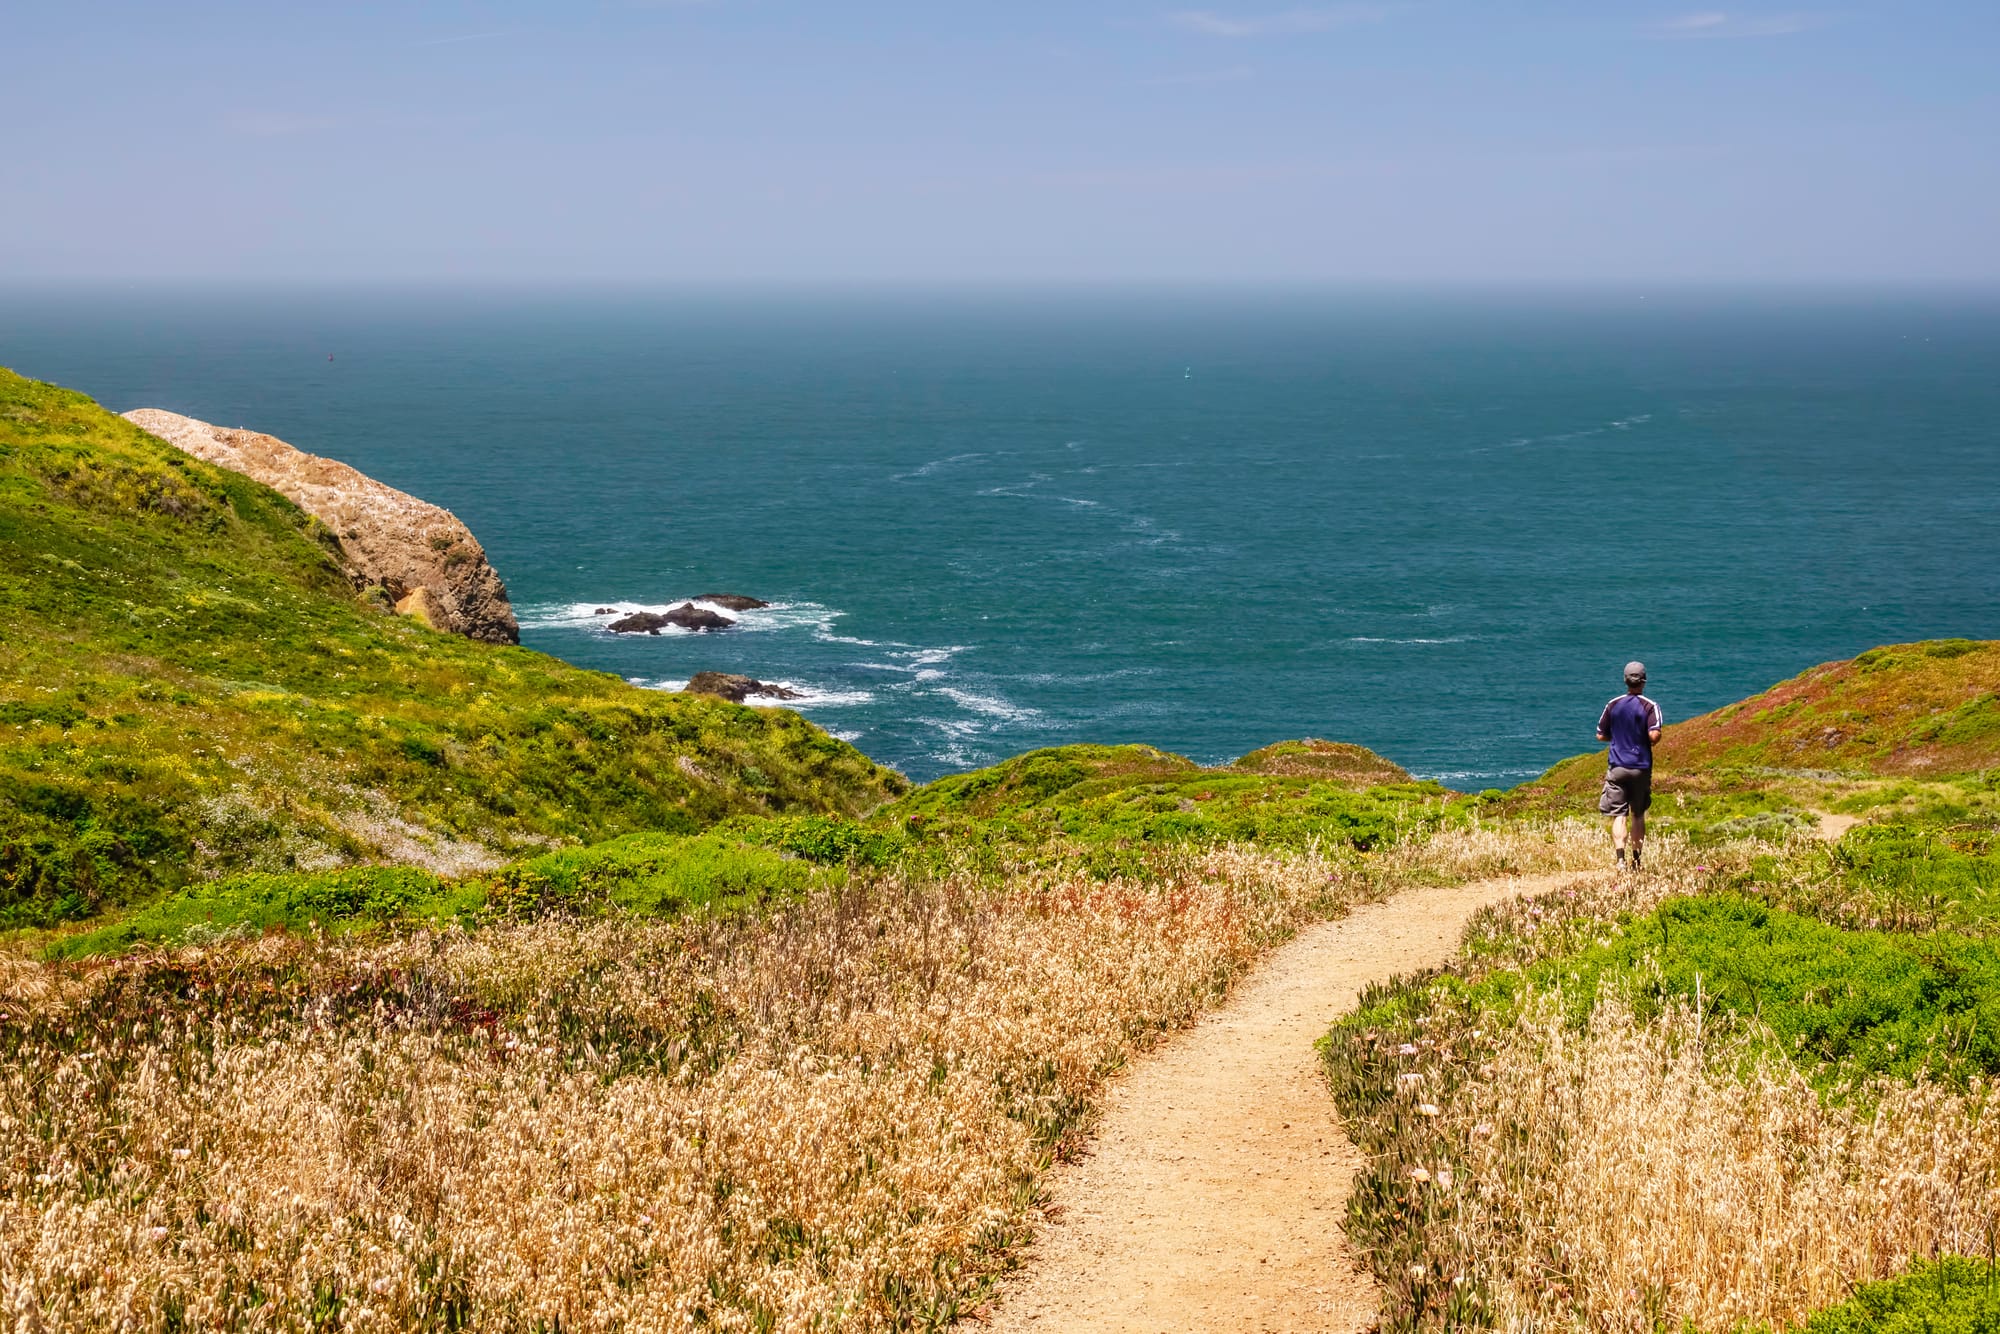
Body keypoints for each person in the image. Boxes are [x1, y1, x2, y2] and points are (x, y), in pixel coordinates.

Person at [1596, 661, 1663, 871]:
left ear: (1625, 680)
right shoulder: (1650, 706)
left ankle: (1620, 860)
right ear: (1643, 680)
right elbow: (1654, 734)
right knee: (1638, 814)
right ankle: (1637, 860)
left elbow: (1600, 735)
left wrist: (1618, 737)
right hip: (1640, 766)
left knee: (1619, 814)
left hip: (1617, 766)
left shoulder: (1612, 704)